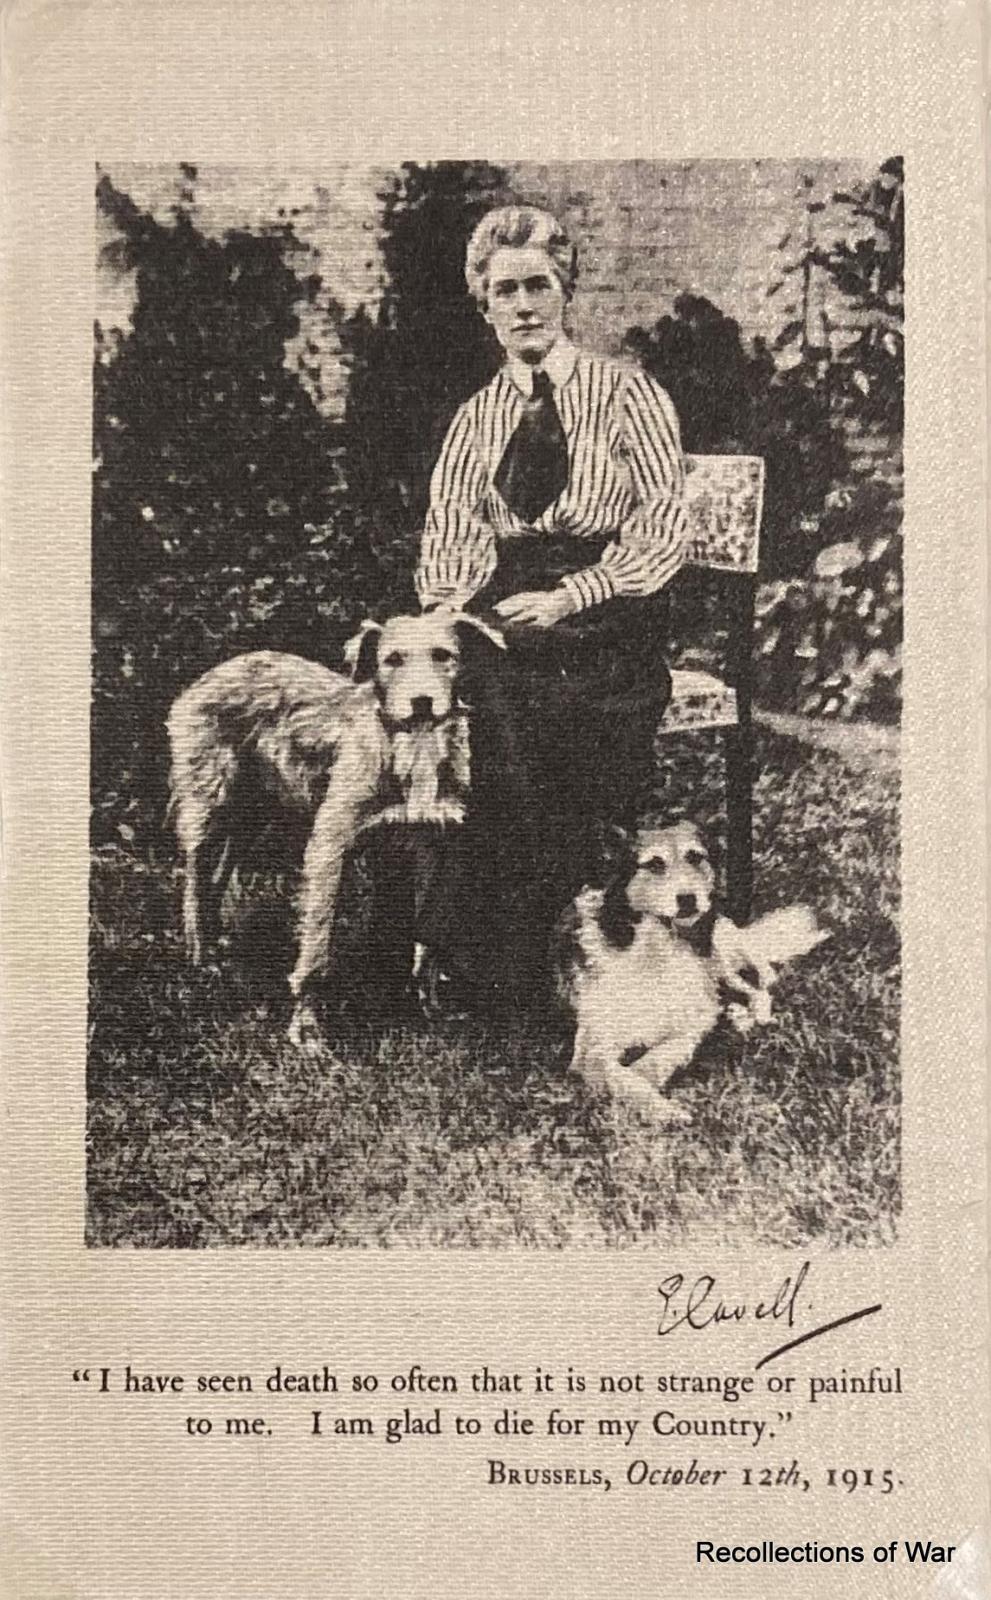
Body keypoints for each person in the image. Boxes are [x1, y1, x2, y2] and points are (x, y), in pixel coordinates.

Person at [414, 204, 688, 1013]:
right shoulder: (478, 417)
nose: (524, 305)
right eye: (506, 290)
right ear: (484, 304)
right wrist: (449, 611)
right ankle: (507, 951)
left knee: (518, 704)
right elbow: (452, 534)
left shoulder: (625, 392)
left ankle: (510, 951)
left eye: (539, 285)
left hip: (612, 611)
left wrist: (572, 594)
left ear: (565, 292)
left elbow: (662, 525)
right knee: (479, 683)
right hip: (512, 609)